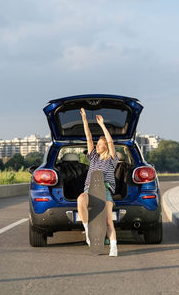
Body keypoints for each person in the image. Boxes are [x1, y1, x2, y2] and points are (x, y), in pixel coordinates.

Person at [77, 108, 119, 257]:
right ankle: (88, 231)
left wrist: (102, 125)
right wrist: (84, 119)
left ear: (105, 147)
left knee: (108, 221)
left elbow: (110, 141)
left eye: (100, 144)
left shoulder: (112, 160)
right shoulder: (93, 157)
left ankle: (113, 246)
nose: (97, 146)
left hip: (105, 190)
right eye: (97, 144)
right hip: (90, 189)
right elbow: (88, 137)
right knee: (81, 198)